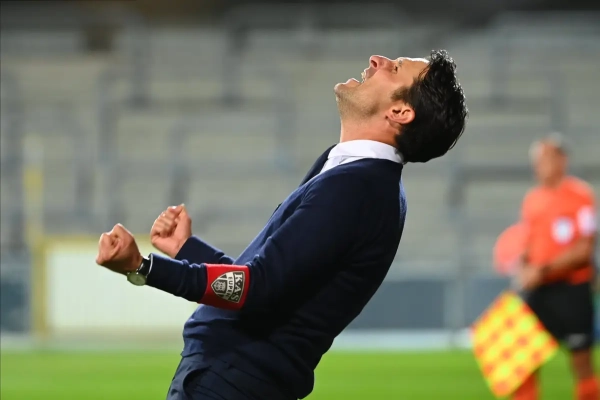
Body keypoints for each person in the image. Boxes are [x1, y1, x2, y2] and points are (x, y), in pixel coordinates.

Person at [94, 50, 468, 400]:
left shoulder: (357, 187)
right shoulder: (357, 176)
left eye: (396, 68)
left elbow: (253, 288)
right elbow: (267, 282)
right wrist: (187, 249)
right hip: (233, 377)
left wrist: (142, 268)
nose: (378, 60)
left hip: (231, 381)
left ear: (400, 112)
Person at [514, 134, 598, 400]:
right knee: (520, 360)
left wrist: (542, 270)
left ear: (562, 160)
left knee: (582, 364)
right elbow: (527, 245)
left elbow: (584, 250)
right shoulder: (532, 199)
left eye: (546, 159)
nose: (539, 165)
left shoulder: (581, 196)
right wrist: (524, 267)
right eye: (537, 160)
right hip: (540, 292)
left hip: (573, 289)